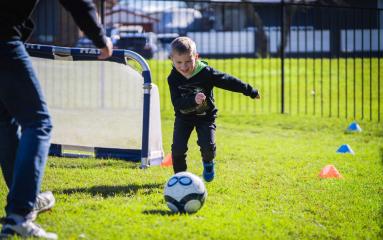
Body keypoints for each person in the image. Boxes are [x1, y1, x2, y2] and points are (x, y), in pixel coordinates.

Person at [0, 1, 113, 239]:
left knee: (5, 120)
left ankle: (26, 200)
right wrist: (100, 37)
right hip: (4, 40)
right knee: (39, 123)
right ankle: (20, 213)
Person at [167, 37, 261, 182]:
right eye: (179, 62)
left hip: (205, 117)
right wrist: (193, 99)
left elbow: (228, 81)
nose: (184, 67)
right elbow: (177, 103)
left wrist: (250, 91)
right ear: (171, 59)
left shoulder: (206, 73)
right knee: (178, 149)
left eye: (188, 62)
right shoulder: (173, 78)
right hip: (183, 118)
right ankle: (180, 178)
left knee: (208, 147)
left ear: (196, 57)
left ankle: (208, 163)